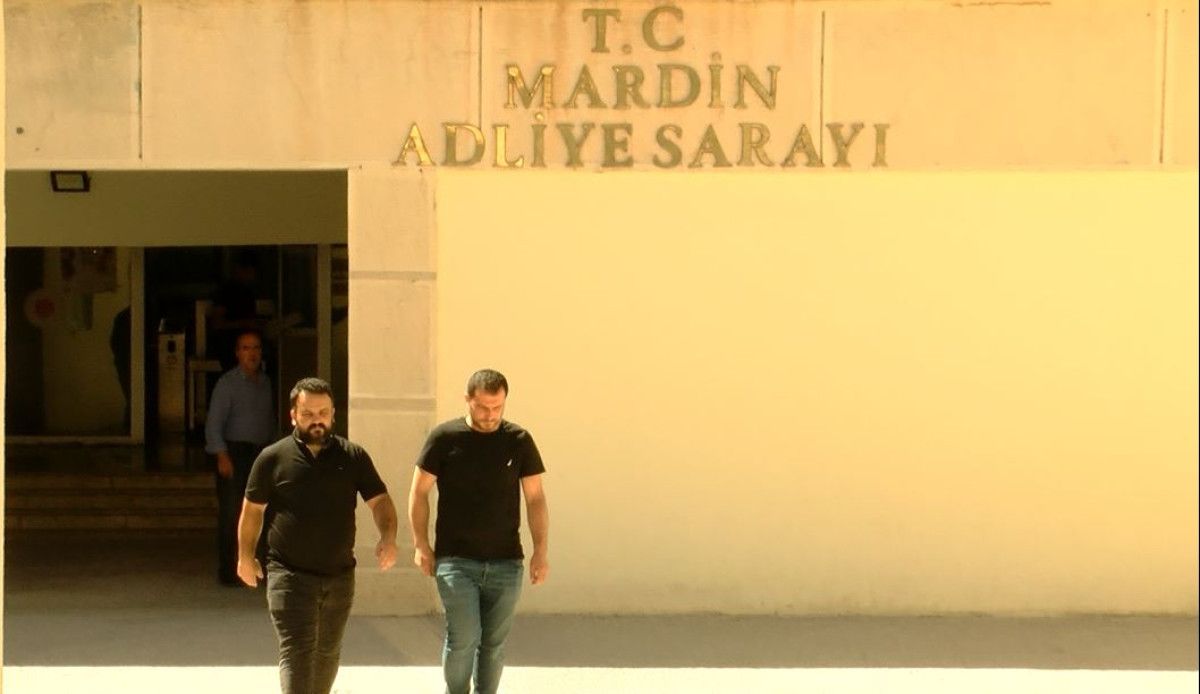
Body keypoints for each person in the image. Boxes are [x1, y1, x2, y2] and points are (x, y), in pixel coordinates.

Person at [237, 377, 398, 694]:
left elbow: (380, 502)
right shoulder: (273, 458)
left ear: (333, 413)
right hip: (288, 573)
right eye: (308, 414)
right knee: (297, 652)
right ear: (293, 416)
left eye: (323, 413)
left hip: (339, 576)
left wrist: (388, 537)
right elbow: (252, 510)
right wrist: (245, 555)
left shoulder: (353, 457)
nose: (317, 420)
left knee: (327, 653)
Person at [408, 368, 550, 694]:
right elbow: (419, 491)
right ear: (468, 400)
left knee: (493, 644)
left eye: (497, 407)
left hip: (506, 562)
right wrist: (421, 544)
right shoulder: (445, 438)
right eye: (483, 407)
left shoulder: (519, 441)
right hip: (456, 561)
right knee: (463, 638)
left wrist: (541, 551)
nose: (490, 415)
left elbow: (536, 498)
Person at [205, 329, 275, 587]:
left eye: (255, 348)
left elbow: (269, 420)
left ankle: (258, 568)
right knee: (232, 513)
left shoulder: (265, 382)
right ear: (237, 353)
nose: (251, 353)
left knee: (263, 512)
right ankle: (230, 571)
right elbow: (213, 424)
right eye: (246, 348)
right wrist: (222, 455)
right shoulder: (227, 384)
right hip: (235, 454)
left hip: (261, 453)